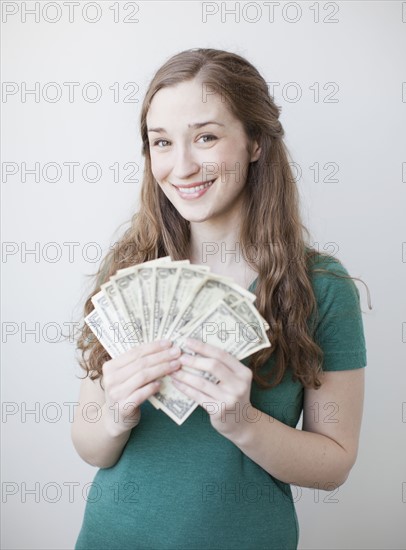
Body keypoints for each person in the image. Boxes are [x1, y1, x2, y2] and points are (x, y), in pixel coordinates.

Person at [72, 48, 368, 549]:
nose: (181, 167)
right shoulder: (127, 271)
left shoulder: (321, 286)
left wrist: (243, 422)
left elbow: (334, 463)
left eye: (205, 137)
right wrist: (115, 415)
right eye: (161, 143)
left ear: (254, 141)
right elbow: (91, 447)